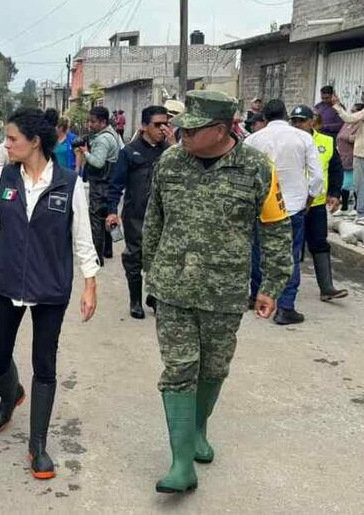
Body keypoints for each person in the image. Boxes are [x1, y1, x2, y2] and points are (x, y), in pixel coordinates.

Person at [142, 90, 292, 494]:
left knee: (213, 369)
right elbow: (153, 218)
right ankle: (180, 463)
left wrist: (271, 286)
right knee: (178, 370)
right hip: (172, 286)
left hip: (224, 290)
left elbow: (276, 230)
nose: (180, 133)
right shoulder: (170, 162)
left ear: (221, 130)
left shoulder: (257, 167)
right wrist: (149, 273)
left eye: (191, 128)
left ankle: (197, 431)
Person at [0, 108, 98, 481]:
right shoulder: (2, 178)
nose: (6, 145)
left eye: (12, 139)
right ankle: (10, 395)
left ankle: (38, 446)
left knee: (45, 365)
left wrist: (90, 283)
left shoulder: (70, 183)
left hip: (51, 288)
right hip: (7, 282)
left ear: (34, 142)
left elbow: (82, 238)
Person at [245, 99, 323, 325]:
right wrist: (310, 198)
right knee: (290, 254)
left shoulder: (252, 139)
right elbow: (317, 176)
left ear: (265, 118)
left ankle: (256, 296)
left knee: (259, 251)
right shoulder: (303, 137)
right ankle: (285, 307)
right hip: (292, 206)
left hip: (261, 205)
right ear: (286, 115)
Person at [106, 105, 170, 319]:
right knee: (135, 255)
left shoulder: (170, 152)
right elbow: (115, 184)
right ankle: (135, 301)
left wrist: (174, 147)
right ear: (144, 126)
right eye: (157, 124)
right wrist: (112, 211)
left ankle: (155, 295)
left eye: (166, 124)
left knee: (163, 257)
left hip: (165, 216)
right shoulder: (130, 152)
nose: (163, 129)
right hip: (136, 214)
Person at [289, 105, 348, 301]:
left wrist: (334, 192)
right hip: (291, 204)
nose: (297, 125)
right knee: (291, 247)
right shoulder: (286, 141)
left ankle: (327, 287)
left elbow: (335, 169)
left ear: (311, 122)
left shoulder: (326, 141)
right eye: (294, 121)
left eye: (301, 121)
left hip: (316, 204)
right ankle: (286, 291)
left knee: (319, 243)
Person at [326, 82, 364, 225]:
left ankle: (363, 215)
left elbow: (350, 118)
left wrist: (336, 106)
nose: (362, 96)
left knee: (362, 185)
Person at [77, 106, 123, 264]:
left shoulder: (102, 139)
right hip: (110, 182)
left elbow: (97, 163)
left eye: (93, 121)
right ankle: (108, 250)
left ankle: (97, 256)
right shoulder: (113, 134)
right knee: (108, 216)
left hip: (100, 184)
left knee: (96, 219)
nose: (90, 124)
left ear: (103, 122)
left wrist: (85, 152)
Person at [335, 103, 364, 213]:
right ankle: (344, 207)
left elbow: (358, 139)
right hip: (343, 156)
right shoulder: (348, 123)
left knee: (354, 183)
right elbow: (340, 136)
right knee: (344, 183)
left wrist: (348, 138)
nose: (351, 113)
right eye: (351, 111)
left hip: (354, 156)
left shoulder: (362, 124)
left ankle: (357, 208)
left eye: (354, 111)